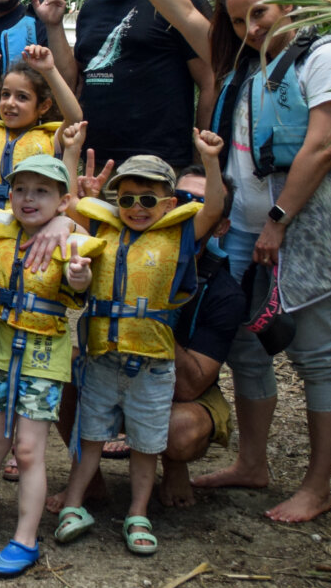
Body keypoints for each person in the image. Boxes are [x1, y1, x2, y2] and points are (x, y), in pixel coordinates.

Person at [126, 0, 331, 523]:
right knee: (243, 346)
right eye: (238, 20)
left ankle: (317, 486)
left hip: (304, 225)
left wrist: (279, 221)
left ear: (288, 5)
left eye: (259, 13)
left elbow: (322, 146)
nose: (249, 28)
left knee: (319, 352)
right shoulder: (241, 65)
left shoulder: (324, 55)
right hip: (243, 228)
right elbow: (186, 17)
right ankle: (252, 464)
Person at [52, 138, 225, 557]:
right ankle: (73, 505)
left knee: (147, 444)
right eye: (127, 199)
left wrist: (210, 160)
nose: (137, 207)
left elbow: (214, 207)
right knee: (90, 435)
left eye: (149, 199)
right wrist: (70, 152)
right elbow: (69, 203)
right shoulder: (104, 227)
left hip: (153, 365)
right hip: (102, 359)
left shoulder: (181, 233)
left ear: (169, 203)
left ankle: (138, 512)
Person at [0, 156, 102, 575]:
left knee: (29, 451)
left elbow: (82, 275)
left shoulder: (72, 239)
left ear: (63, 201)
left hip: (42, 359)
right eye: (20, 190)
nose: (28, 199)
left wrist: (69, 237)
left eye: (42, 192)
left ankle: (25, 539)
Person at [74, 0, 215, 171]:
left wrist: (201, 161)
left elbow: (210, 81)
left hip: (161, 162)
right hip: (98, 162)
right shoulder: (91, 9)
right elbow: (80, 81)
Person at [158, 167, 244, 508]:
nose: (188, 209)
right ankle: (88, 481)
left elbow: (190, 386)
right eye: (181, 199)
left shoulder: (225, 293)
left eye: (202, 203)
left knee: (181, 431)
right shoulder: (128, 254)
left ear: (221, 226)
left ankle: (173, 464)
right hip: (119, 373)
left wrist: (150, 316)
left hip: (185, 391)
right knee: (69, 369)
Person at [0, 43, 80, 206]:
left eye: (22, 97)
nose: (10, 103)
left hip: (30, 219)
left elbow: (74, 118)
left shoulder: (53, 139)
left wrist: (50, 70)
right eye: (5, 94)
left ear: (44, 106)